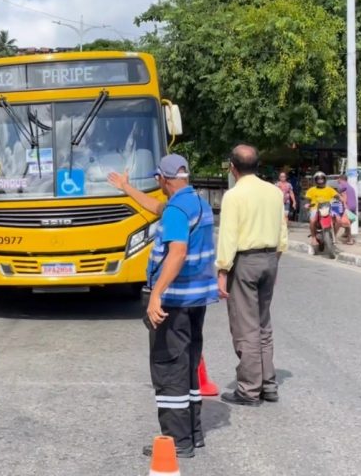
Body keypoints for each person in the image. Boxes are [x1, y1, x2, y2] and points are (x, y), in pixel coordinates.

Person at [108, 154, 218, 459]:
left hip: (174, 301)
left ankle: (176, 440)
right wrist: (127, 189)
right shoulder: (196, 201)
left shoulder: (176, 211)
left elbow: (177, 252)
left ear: (162, 179)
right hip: (196, 300)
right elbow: (158, 208)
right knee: (188, 365)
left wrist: (156, 294)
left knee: (169, 368)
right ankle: (192, 435)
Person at [216, 145, 288, 406]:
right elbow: (282, 233)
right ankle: (269, 384)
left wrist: (222, 271)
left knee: (245, 325)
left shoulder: (234, 196)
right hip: (270, 258)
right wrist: (274, 262)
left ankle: (248, 388)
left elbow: (228, 236)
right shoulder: (274, 192)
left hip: (245, 261)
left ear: (233, 168)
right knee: (262, 323)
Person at [304, 171, 340, 243]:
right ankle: (313, 238)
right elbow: (307, 200)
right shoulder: (311, 190)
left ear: (324, 179)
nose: (320, 181)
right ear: (316, 180)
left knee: (338, 220)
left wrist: (340, 200)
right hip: (315, 208)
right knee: (312, 221)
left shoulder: (330, 189)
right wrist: (307, 205)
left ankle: (334, 236)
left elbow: (337, 196)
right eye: (318, 179)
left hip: (328, 208)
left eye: (321, 179)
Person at [337, 174, 357, 245]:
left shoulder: (342, 185)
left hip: (348, 206)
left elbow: (343, 197)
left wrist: (338, 196)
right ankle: (345, 234)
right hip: (353, 206)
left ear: (340, 179)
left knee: (345, 222)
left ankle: (350, 239)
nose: (337, 181)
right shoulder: (350, 187)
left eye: (338, 179)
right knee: (347, 221)